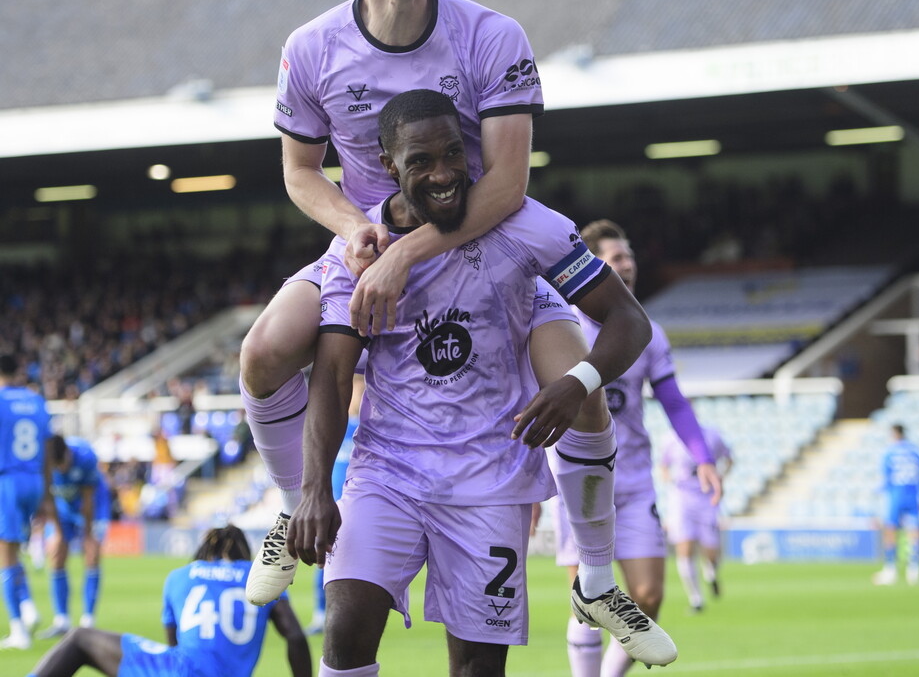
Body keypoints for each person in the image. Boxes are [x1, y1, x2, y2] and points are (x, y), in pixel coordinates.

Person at [241, 0, 629, 640]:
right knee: (263, 351)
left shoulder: (491, 35)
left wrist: (405, 254)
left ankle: (594, 579)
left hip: (490, 247)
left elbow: (509, 185)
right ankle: (295, 502)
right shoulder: (312, 48)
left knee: (578, 383)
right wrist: (357, 232)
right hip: (372, 241)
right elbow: (297, 172)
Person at [286, 91, 677, 675]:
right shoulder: (360, 254)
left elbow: (629, 320)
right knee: (345, 634)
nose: (443, 174)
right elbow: (333, 373)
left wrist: (575, 382)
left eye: (453, 154)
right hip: (388, 473)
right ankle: (280, 508)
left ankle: (595, 580)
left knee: (477, 667)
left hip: (490, 484)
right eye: (421, 162)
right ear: (389, 166)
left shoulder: (528, 225)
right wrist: (314, 488)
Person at [553, 219, 723, 677]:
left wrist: (703, 458)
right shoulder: (562, 328)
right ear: (591, 268)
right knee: (587, 599)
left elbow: (673, 401)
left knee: (647, 597)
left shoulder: (646, 330)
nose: (627, 264)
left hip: (632, 479)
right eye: (616, 257)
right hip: (580, 481)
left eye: (629, 255)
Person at [26, 524, 311, 677]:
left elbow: (174, 645)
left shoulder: (181, 575)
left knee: (79, 638)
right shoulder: (255, 577)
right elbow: (296, 636)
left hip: (182, 670)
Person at [306, 371, 364, 635]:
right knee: (325, 561)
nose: (358, 396)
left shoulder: (369, 428)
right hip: (333, 506)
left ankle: (357, 616)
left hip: (361, 506)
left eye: (362, 390)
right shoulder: (335, 426)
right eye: (355, 388)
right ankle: (322, 613)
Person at [36, 435, 112, 637]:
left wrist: (88, 534)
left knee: (92, 554)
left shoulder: (85, 455)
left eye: (62, 464)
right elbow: (48, 498)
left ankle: (88, 620)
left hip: (93, 506)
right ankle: (61, 619)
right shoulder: (44, 460)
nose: (60, 469)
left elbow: (89, 500)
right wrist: (58, 532)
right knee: (56, 553)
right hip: (62, 507)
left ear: (68, 455)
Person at [0, 353, 52, 651]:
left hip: (8, 479)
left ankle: (18, 628)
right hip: (34, 480)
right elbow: (46, 448)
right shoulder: (36, 400)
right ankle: (29, 606)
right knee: (14, 549)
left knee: (5, 554)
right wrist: (46, 493)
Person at [659, 423, 733, 613]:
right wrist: (670, 481)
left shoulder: (712, 435)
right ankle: (696, 600)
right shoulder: (670, 439)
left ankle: (711, 573)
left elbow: (729, 459)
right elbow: (663, 466)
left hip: (706, 497)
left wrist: (720, 478)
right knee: (684, 547)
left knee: (711, 550)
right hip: (682, 498)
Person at [873, 423, 919, 586]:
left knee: (890, 529)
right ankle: (914, 568)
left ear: (895, 434)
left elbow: (886, 477)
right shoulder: (917, 452)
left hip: (896, 494)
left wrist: (877, 493)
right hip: (914, 494)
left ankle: (890, 569)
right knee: (914, 530)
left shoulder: (890, 452)